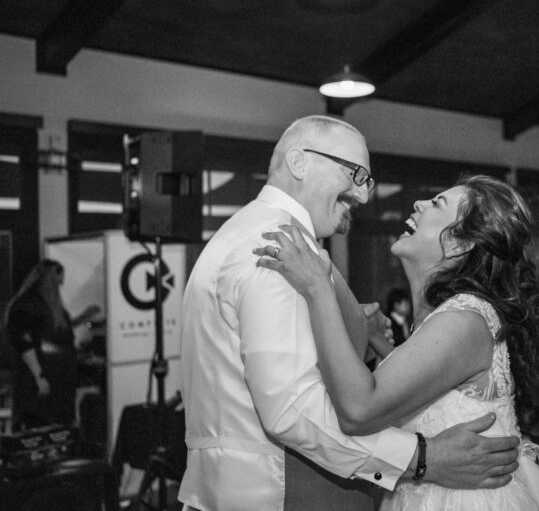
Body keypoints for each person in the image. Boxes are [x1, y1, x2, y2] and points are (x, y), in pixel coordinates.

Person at [178, 116, 521, 511]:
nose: (362, 194)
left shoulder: (260, 236)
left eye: (367, 181)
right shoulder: (277, 246)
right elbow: (292, 408)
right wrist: (422, 458)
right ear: (299, 162)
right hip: (269, 496)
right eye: (356, 174)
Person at [256, 175, 539, 510]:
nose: (419, 204)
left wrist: (317, 289)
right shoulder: (450, 318)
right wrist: (380, 344)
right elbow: (436, 392)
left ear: (460, 244)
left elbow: (359, 410)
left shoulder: (464, 319)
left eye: (437, 204)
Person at [4, 259, 100, 430]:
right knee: (40, 423)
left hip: (58, 378)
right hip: (43, 379)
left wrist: (83, 318)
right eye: (59, 282)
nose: (59, 288)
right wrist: (39, 376)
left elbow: (53, 331)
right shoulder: (28, 305)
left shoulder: (45, 306)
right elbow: (22, 341)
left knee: (55, 425)